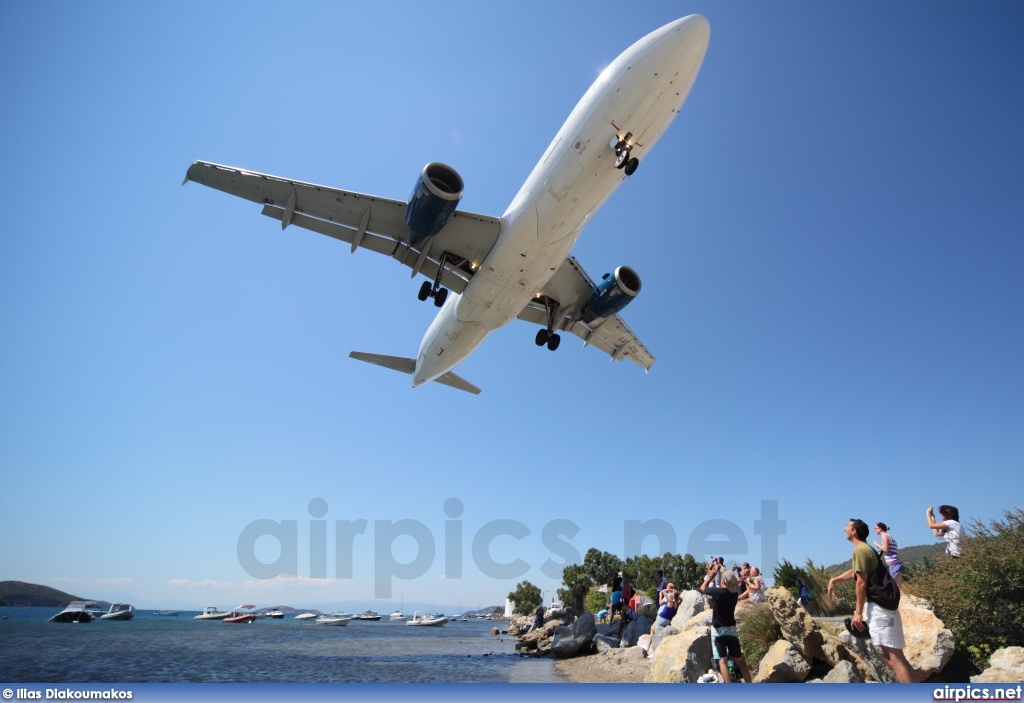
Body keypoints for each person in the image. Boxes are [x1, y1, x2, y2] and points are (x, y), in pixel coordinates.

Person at [827, 519, 914, 683]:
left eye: (847, 526)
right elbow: (856, 572)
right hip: (887, 606)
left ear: (854, 531)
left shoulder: (860, 550)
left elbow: (861, 583)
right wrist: (834, 579)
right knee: (899, 657)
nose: (844, 528)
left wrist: (858, 613)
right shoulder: (867, 549)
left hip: (880, 608)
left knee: (893, 659)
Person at [700, 560, 753, 683]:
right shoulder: (733, 595)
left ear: (723, 581)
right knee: (740, 660)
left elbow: (702, 588)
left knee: (722, 661)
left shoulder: (717, 592)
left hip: (718, 631)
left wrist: (711, 576)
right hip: (732, 630)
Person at [872, 522, 906, 586]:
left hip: (893, 562)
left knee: (895, 584)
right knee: (897, 584)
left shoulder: (884, 535)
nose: (874, 530)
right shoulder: (887, 535)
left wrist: (877, 545)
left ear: (880, 528)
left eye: (875, 528)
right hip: (895, 562)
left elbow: (885, 549)